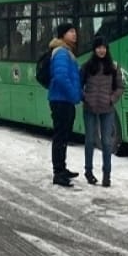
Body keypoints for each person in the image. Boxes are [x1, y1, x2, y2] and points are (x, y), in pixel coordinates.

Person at [80, 36, 124, 187]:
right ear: (94, 49)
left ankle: (107, 175)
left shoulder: (113, 67)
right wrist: (85, 97)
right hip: (89, 109)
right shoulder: (87, 66)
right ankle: (89, 171)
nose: (101, 50)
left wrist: (112, 99)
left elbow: (120, 87)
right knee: (90, 140)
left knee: (106, 142)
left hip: (107, 109)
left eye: (104, 47)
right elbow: (78, 85)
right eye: (99, 47)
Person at [48, 22, 82, 187]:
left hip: (65, 100)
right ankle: (58, 172)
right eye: (71, 31)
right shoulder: (61, 52)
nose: (74, 34)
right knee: (60, 136)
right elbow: (61, 77)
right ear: (63, 35)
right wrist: (75, 95)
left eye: (75, 31)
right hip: (61, 100)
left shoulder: (67, 51)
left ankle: (62, 168)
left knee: (63, 136)